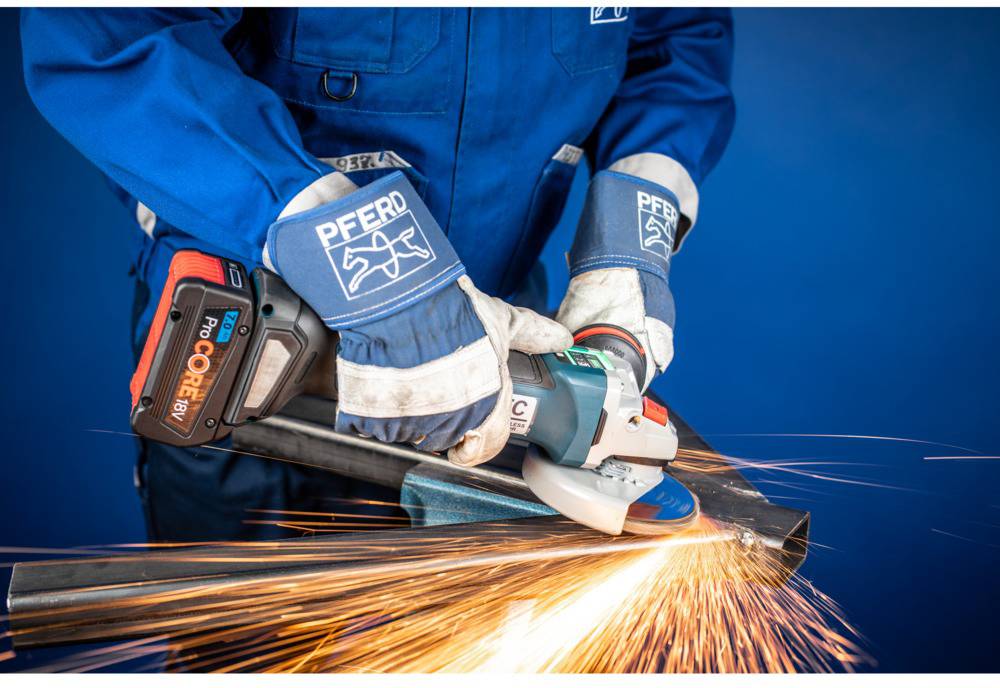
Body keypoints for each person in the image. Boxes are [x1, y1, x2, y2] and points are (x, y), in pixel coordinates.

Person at [20, 7, 734, 540]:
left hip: (496, 350)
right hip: (254, 362)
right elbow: (108, 38)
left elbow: (676, 44)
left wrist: (631, 242)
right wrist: (364, 260)